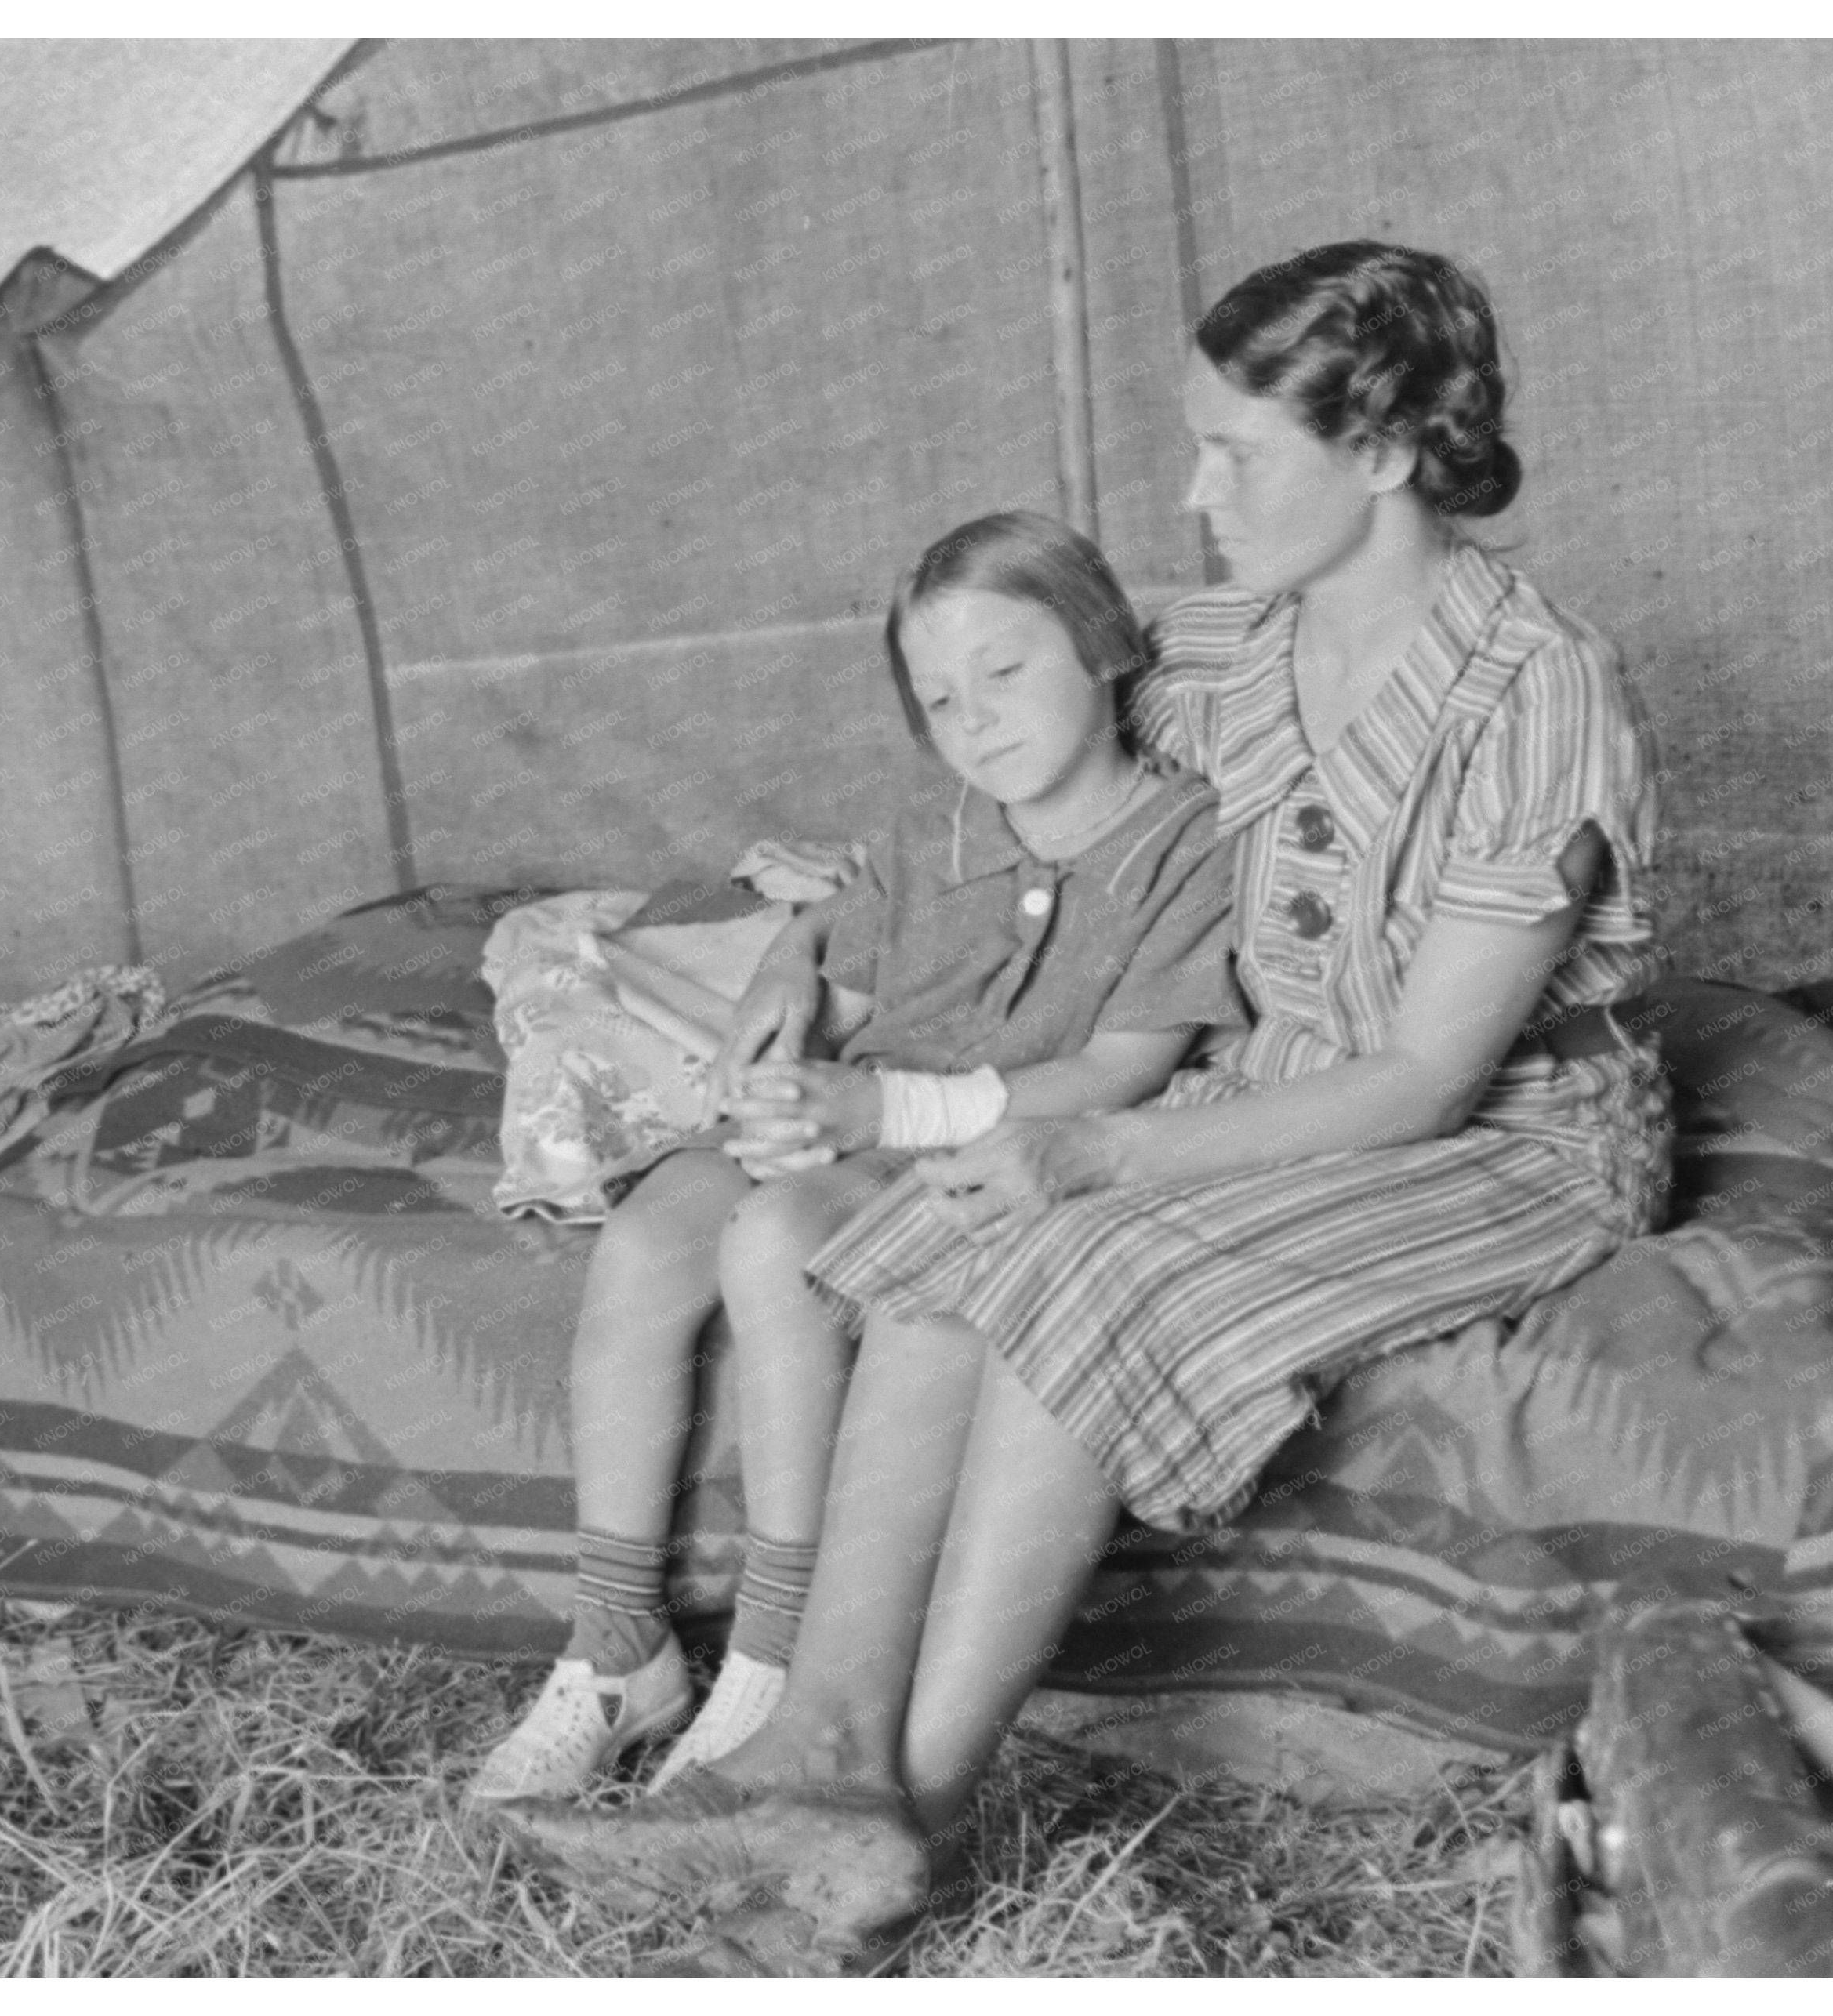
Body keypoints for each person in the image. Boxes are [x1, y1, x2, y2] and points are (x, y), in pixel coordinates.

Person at [486, 241, 1671, 1974]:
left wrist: (1098, 1142)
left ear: (1394, 448)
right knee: (945, 1231)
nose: (1193, 494)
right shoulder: (1215, 646)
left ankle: (894, 1821)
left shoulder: (1539, 686)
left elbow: (1424, 1078)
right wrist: (844, 905)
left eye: (1236, 452)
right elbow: (1033, 740)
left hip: (1509, 1133)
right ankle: (811, 1751)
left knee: (1078, 1251)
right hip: (1271, 1082)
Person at [467, 512, 1244, 1804]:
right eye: (939, 699)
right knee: (656, 1231)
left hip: (972, 1138)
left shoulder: (1184, 843)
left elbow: (1120, 1070)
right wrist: (791, 1002)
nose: (977, 720)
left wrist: (876, 1112)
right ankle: (617, 1643)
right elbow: (846, 937)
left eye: (1005, 672)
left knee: (775, 1243)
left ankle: (772, 1657)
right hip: (858, 1105)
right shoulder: (939, 833)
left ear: (1107, 648)